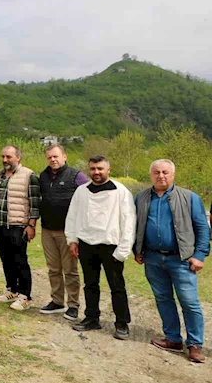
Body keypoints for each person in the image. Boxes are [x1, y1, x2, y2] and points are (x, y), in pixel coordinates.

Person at [134, 159, 210, 363]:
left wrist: (200, 255)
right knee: (163, 299)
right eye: (157, 172)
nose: (161, 176)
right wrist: (137, 249)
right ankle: (173, 338)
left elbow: (203, 228)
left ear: (173, 175)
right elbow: (136, 225)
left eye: (165, 172)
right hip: (152, 257)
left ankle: (194, 344)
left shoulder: (190, 198)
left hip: (182, 259)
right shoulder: (141, 198)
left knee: (189, 302)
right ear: (151, 175)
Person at [65, 155, 135, 340]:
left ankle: (122, 322)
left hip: (111, 246)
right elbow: (72, 216)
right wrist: (72, 240)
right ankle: (91, 318)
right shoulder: (81, 191)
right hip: (87, 244)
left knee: (117, 286)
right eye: (93, 169)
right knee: (90, 284)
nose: (96, 172)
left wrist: (123, 250)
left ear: (108, 169)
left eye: (100, 169)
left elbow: (129, 222)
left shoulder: (120, 191)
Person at [38, 144, 89, 321]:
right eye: (50, 157)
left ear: (64, 156)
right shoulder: (43, 176)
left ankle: (73, 305)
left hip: (68, 232)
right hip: (47, 230)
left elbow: (89, 199)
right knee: (53, 269)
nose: (53, 159)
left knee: (70, 270)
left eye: (56, 156)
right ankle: (57, 302)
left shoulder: (77, 176)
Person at [0, 145, 41, 311]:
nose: (5, 160)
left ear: (18, 157)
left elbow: (35, 203)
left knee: (20, 260)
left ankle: (25, 295)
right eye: (3, 156)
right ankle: (12, 290)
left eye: (9, 157)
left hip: (18, 225)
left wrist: (31, 225)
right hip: (0, 225)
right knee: (6, 259)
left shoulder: (29, 175)